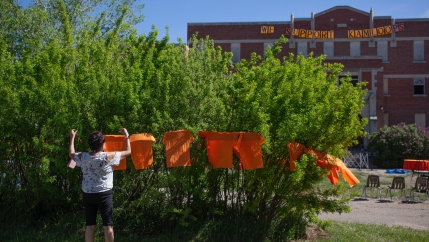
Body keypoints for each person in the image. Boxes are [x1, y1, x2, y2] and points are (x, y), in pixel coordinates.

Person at [69, 128, 131, 242]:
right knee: (108, 226)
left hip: (88, 194)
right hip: (104, 194)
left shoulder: (83, 156)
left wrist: (72, 138)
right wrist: (126, 136)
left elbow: (71, 154)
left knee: (90, 225)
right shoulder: (108, 156)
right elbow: (128, 152)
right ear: (102, 144)